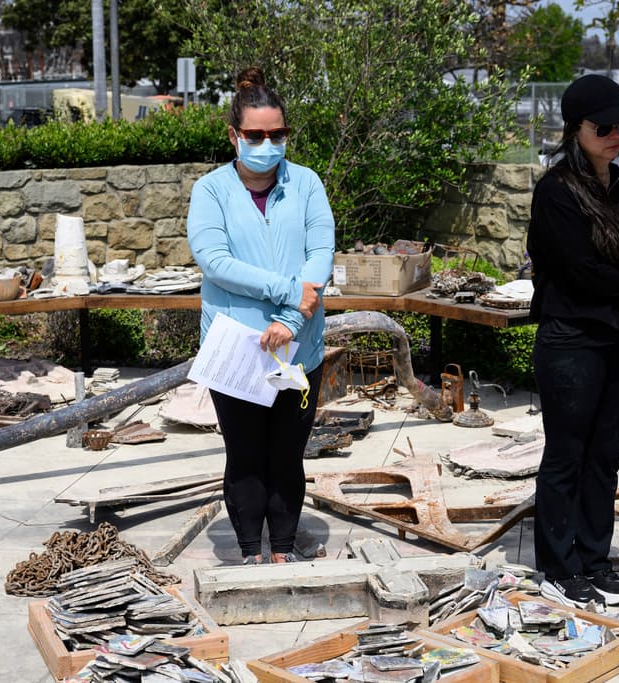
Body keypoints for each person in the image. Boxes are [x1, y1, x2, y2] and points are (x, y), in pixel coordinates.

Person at [526, 74, 619, 608]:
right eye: (604, 127)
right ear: (576, 129)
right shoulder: (556, 191)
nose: (616, 136)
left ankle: (593, 560)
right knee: (567, 455)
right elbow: (578, 272)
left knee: (605, 457)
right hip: (571, 342)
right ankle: (557, 567)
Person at [186, 67, 336, 565]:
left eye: (277, 134)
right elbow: (215, 262)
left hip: (299, 345)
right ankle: (251, 547)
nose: (267, 144)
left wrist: (291, 319)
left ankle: (283, 547)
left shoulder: (307, 184)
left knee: (287, 454)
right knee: (245, 454)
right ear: (234, 135)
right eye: (255, 135)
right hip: (238, 346)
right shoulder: (211, 190)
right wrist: (288, 291)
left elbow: (320, 254)